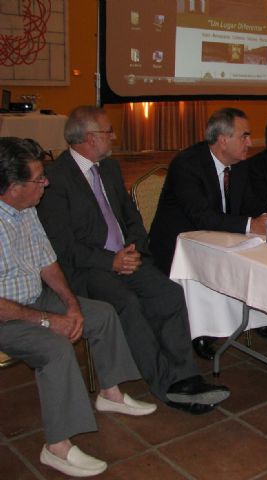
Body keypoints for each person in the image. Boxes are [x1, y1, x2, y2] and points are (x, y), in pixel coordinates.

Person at [36, 106, 230, 415]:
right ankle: (167, 386)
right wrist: (111, 261)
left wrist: (135, 247)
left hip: (126, 257)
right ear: (89, 138)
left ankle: (187, 378)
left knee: (169, 293)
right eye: (107, 131)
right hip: (88, 269)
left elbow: (130, 216)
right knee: (126, 302)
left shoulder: (109, 168)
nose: (114, 136)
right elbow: (63, 246)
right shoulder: (55, 180)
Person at [0, 137, 156, 477]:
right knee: (55, 347)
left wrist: (70, 305)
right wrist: (47, 321)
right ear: (13, 187)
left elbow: (48, 263)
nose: (47, 183)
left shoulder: (26, 211)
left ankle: (110, 393)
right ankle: (57, 447)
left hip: (33, 299)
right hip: (6, 315)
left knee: (99, 312)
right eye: (39, 179)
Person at [149, 107, 267, 346]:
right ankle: (203, 331)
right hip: (181, 242)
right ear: (223, 140)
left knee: (264, 254)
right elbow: (202, 216)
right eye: (244, 136)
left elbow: (251, 202)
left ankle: (255, 317)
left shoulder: (240, 164)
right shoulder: (187, 164)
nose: (249, 142)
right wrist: (250, 224)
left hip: (220, 235)